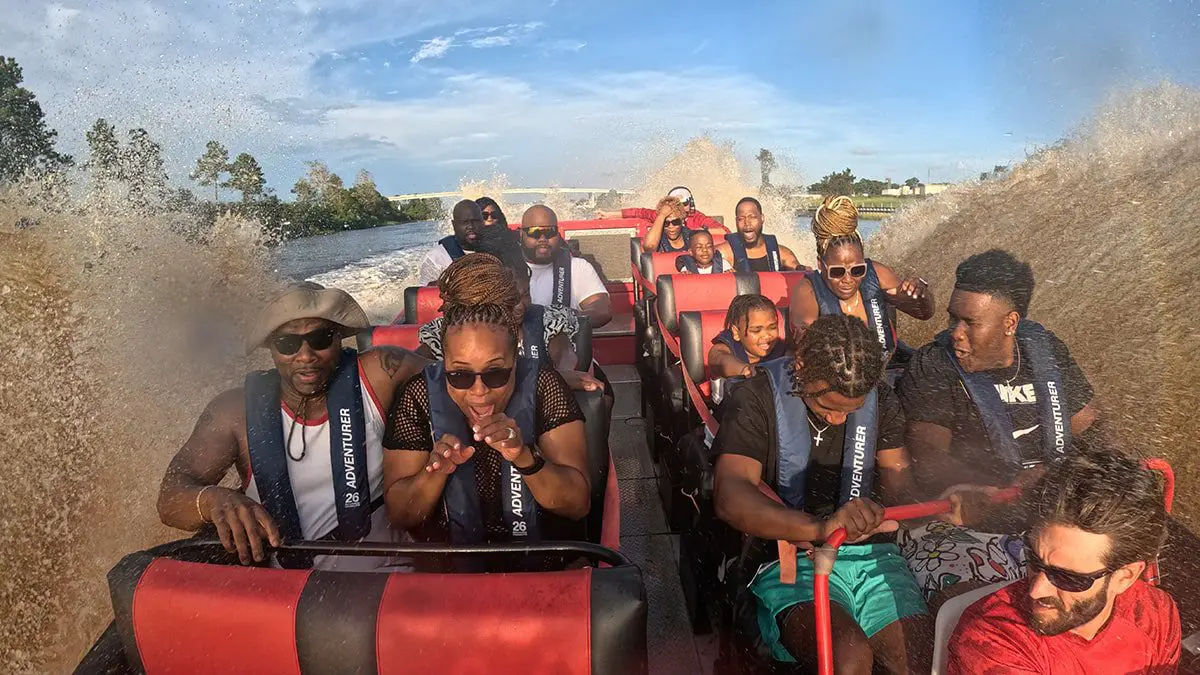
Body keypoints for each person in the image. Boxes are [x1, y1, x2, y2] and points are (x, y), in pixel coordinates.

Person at [712, 314, 930, 673]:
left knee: (918, 659)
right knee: (848, 658)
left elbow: (900, 482)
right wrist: (820, 528)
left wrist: (939, 500)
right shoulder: (755, 396)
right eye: (827, 406)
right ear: (800, 366)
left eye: (852, 410)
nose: (838, 420)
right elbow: (730, 495)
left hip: (873, 556)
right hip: (786, 558)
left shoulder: (880, 397)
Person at [156, 283, 428, 569]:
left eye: (320, 339)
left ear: (339, 338)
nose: (306, 355)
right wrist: (213, 500)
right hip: (286, 588)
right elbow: (170, 497)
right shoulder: (235, 412)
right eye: (288, 344)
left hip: (388, 577)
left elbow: (450, 377)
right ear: (271, 348)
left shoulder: (380, 373)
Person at [895, 249, 1098, 597]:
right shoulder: (933, 365)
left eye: (970, 323)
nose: (956, 333)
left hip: (1056, 516)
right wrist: (1000, 486)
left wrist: (1072, 475)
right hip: (971, 524)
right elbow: (928, 458)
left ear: (1010, 323)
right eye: (953, 319)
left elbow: (1090, 427)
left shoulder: (1046, 350)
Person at [381, 301, 591, 555]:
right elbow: (400, 516)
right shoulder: (418, 396)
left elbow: (578, 505)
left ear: (515, 362)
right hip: (448, 569)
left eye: (495, 373)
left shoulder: (544, 385)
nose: (479, 391)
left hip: (543, 562)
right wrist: (435, 473)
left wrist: (524, 457)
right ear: (444, 365)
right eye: (460, 375)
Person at [948, 449, 1180, 674]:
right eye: (1034, 559)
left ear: (1124, 578)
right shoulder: (992, 640)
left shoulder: (1155, 615)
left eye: (1068, 577)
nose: (1036, 590)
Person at [415, 247, 605, 394]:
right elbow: (415, 366)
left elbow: (564, 355)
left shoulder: (548, 320)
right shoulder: (448, 330)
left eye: (525, 295)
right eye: (511, 300)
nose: (520, 306)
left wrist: (560, 376)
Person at [789, 196, 933, 360]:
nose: (848, 279)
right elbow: (804, 329)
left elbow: (924, 314)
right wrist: (806, 334)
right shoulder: (807, 289)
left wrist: (922, 295)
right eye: (837, 272)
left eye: (857, 270)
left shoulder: (877, 273)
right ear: (821, 265)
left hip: (886, 366)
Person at [519, 204, 612, 328]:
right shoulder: (506, 269)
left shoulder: (578, 267)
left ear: (558, 234)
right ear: (521, 234)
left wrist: (564, 319)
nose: (543, 239)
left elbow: (602, 310)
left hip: (564, 338)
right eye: (535, 232)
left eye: (550, 232)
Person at [707, 294, 785, 380]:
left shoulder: (779, 348)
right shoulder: (727, 347)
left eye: (772, 327)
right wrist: (744, 370)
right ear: (736, 333)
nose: (766, 335)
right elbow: (718, 358)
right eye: (756, 330)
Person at [715, 197, 802, 272]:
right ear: (736, 221)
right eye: (741, 219)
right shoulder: (723, 253)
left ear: (762, 218)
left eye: (752, 217)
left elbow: (799, 270)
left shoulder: (782, 253)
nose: (747, 223)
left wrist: (804, 269)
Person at [418, 199, 487, 285]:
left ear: (482, 222)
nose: (471, 226)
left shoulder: (496, 249)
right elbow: (425, 290)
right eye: (464, 222)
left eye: (475, 221)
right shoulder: (437, 257)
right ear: (454, 225)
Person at [596, 185, 723, 231]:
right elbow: (638, 212)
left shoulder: (697, 218)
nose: (681, 209)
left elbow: (724, 231)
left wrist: (698, 232)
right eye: (677, 205)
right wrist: (609, 215)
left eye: (685, 204)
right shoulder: (661, 216)